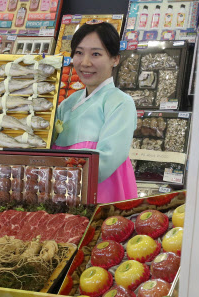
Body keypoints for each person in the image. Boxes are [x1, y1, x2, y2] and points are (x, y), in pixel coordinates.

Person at [52, 22, 138, 203]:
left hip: (100, 193)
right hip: (64, 193)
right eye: (79, 53)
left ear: (115, 59)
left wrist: (57, 174)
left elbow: (107, 158)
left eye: (96, 54)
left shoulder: (120, 103)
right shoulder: (66, 104)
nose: (85, 62)